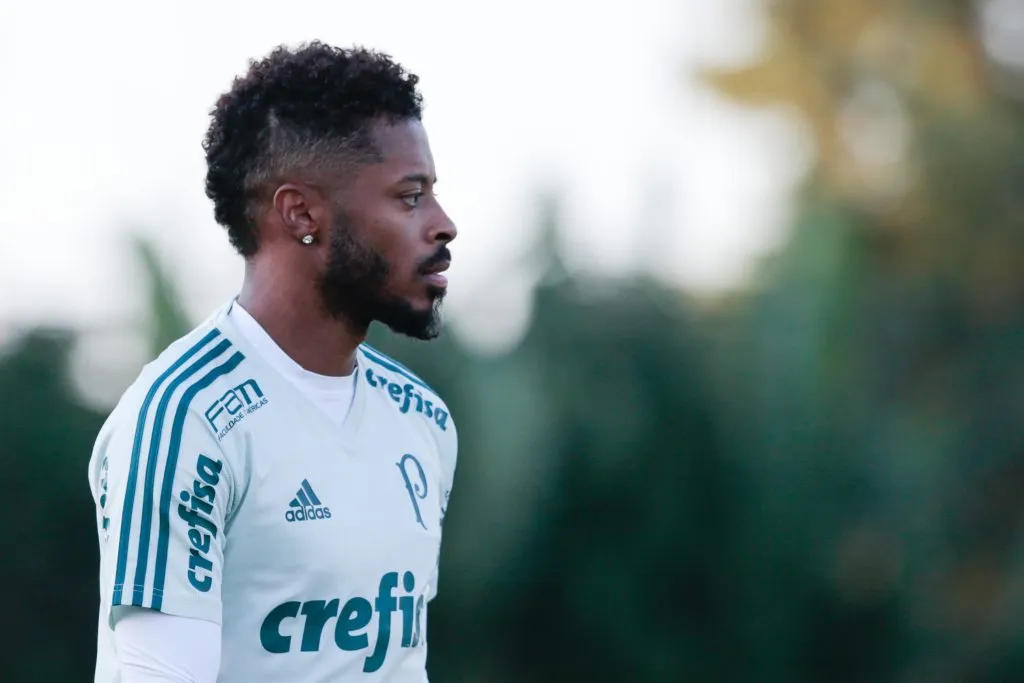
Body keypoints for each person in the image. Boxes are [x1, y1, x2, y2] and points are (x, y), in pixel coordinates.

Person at [87, 41, 459, 683]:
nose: (444, 224)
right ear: (302, 214)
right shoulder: (186, 420)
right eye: (409, 196)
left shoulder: (423, 419)